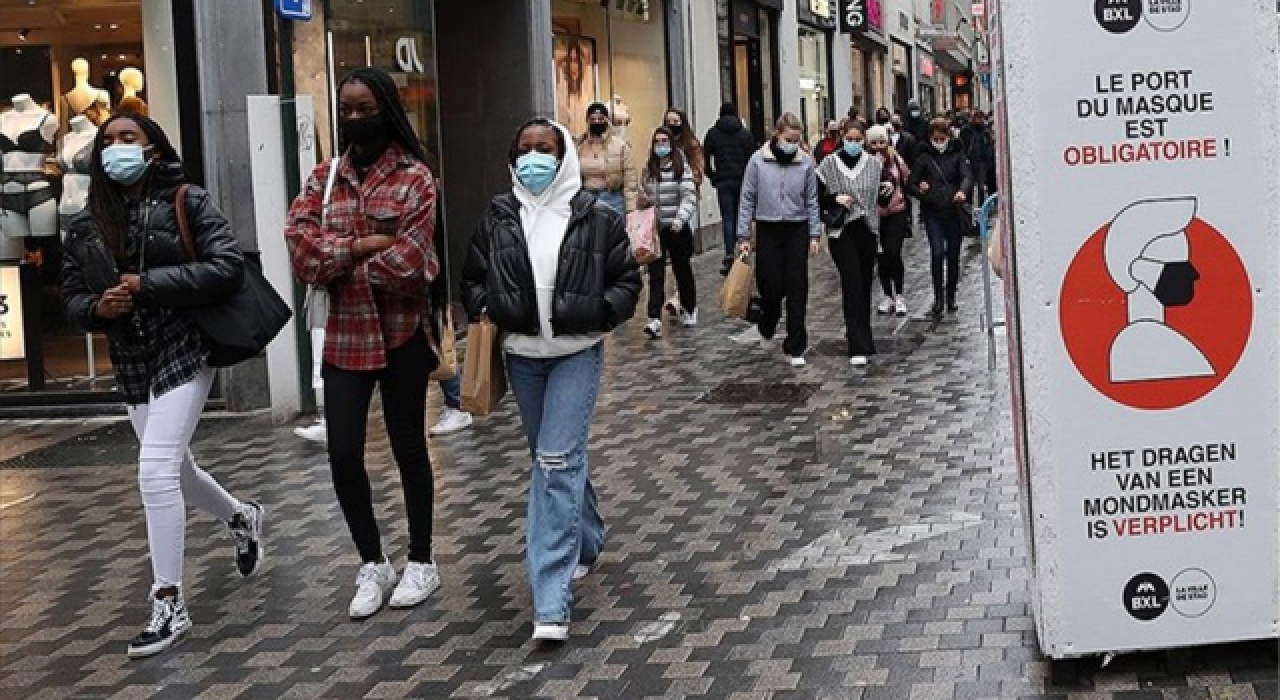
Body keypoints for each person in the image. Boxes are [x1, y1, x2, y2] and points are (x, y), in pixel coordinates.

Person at [61, 113, 264, 659]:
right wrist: (98, 308)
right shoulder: (85, 224)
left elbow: (226, 267)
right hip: (131, 358)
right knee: (177, 468)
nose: (117, 148)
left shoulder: (187, 200)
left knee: (153, 470)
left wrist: (148, 285)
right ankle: (241, 517)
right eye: (108, 142)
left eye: (129, 139)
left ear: (152, 147)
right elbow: (71, 298)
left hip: (185, 346)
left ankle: (168, 601)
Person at [461, 118, 641, 643]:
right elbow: (472, 279)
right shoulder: (497, 216)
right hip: (522, 356)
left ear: (563, 157)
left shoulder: (595, 215)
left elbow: (626, 279)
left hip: (575, 354)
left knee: (556, 462)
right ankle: (586, 539)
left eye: (545, 149)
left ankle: (550, 599)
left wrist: (599, 312)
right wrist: (490, 306)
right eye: (524, 150)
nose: (533, 158)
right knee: (551, 458)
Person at [285, 67, 442, 621]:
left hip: (402, 335)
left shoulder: (416, 178)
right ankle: (372, 561)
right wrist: (365, 244)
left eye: (365, 108)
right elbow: (302, 255)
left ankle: (421, 560)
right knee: (343, 451)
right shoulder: (323, 177)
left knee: (408, 448)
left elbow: (411, 264)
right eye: (346, 109)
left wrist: (339, 255)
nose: (355, 118)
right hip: (346, 337)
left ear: (386, 108)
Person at [731, 113, 822, 368]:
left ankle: (795, 345)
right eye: (788, 139)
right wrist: (744, 236)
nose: (792, 144)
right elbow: (747, 198)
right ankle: (767, 323)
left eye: (796, 139)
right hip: (768, 226)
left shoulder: (805, 163)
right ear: (777, 135)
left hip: (797, 227)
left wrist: (815, 234)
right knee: (770, 286)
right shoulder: (758, 161)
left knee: (797, 287)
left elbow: (812, 200)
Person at [816, 123, 889, 368]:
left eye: (858, 139)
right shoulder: (828, 165)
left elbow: (879, 196)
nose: (854, 143)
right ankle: (855, 343)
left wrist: (885, 191)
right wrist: (834, 198)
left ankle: (864, 337)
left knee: (866, 283)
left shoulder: (874, 164)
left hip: (867, 230)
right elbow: (813, 196)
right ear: (842, 138)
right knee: (852, 282)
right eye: (849, 138)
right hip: (841, 230)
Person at [908, 117, 973, 316]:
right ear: (930, 138)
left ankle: (951, 296)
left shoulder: (957, 154)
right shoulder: (924, 158)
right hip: (933, 212)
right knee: (937, 253)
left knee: (953, 255)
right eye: (935, 139)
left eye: (942, 138)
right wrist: (922, 192)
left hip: (954, 212)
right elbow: (911, 183)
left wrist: (962, 191)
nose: (939, 142)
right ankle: (938, 297)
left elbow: (966, 176)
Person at [640, 126, 698, 338]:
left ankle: (689, 308)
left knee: (682, 270)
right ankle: (653, 317)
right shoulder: (649, 168)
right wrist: (644, 202)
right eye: (657, 142)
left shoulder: (681, 166)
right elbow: (644, 191)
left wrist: (680, 219)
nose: (661, 145)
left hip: (676, 227)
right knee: (655, 274)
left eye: (665, 141)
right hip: (656, 228)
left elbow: (689, 196)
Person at [703, 102, 757, 275]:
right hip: (742, 179)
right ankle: (743, 250)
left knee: (728, 218)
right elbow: (752, 158)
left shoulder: (713, 133)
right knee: (742, 216)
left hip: (723, 180)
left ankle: (728, 253)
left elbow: (705, 157)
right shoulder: (744, 134)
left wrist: (712, 175)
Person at [867, 125, 912, 317]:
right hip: (875, 215)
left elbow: (907, 178)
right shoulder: (866, 162)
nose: (878, 146)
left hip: (896, 212)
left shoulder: (896, 159)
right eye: (874, 143)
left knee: (894, 252)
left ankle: (899, 294)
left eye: (881, 142)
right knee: (882, 256)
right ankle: (887, 296)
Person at [577, 102, 637, 215]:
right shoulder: (579, 145)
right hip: (586, 199)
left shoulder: (620, 145)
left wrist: (631, 208)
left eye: (600, 118)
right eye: (593, 119)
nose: (596, 122)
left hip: (613, 199)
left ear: (607, 120)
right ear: (587, 121)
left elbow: (630, 178)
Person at [556, 38, 591, 138]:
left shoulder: (585, 80)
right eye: (570, 60)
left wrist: (577, 51)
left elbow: (588, 54)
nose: (573, 65)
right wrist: (569, 53)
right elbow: (556, 56)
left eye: (576, 60)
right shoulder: (562, 79)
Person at [965, 110, 997, 204]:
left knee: (981, 187)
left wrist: (989, 159)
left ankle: (982, 208)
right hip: (969, 161)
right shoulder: (966, 130)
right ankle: (969, 207)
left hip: (982, 162)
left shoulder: (985, 130)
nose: (978, 119)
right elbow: (962, 145)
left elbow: (989, 145)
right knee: (969, 186)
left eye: (980, 117)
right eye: (976, 117)